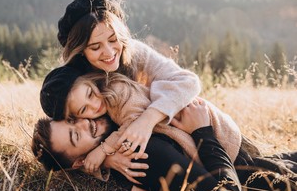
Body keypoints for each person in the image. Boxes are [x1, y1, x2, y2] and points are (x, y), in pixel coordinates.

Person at [31, 105, 297, 191]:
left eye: (72, 120)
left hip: (274, 165)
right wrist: (201, 131)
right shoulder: (142, 154)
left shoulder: (123, 122)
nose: (85, 122)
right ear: (79, 162)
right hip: (283, 189)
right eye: (76, 137)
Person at [40, 0, 202, 161]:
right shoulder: (73, 82)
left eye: (112, 39)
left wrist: (146, 120)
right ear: (80, 51)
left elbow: (189, 82)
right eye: (95, 47)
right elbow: (66, 142)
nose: (109, 52)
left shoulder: (132, 51)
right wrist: (109, 160)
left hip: (174, 129)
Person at [57, 66, 241, 175]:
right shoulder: (106, 106)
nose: (94, 105)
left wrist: (103, 149)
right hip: (198, 136)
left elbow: (135, 124)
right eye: (84, 109)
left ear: (92, 83)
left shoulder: (117, 90)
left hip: (211, 131)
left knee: (248, 175)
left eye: (90, 94)